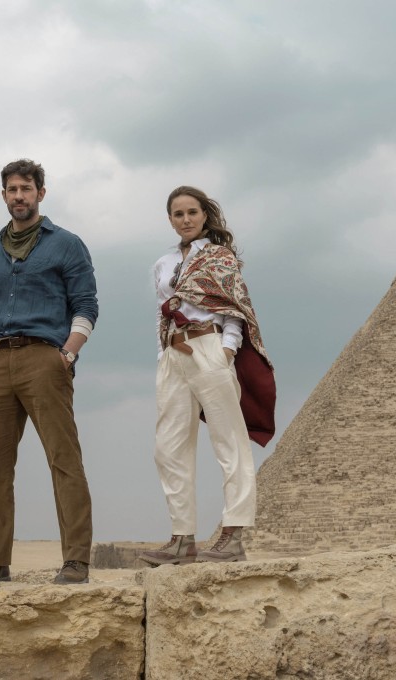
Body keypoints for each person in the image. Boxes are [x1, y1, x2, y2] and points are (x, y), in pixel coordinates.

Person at [0, 159, 98, 589]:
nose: (19, 196)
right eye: (12, 190)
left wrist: (67, 354)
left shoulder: (67, 244)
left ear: (41, 193)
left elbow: (86, 305)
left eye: (27, 189)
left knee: (63, 459)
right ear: (4, 195)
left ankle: (76, 560)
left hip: (45, 358)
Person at [139, 185, 275, 567]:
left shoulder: (219, 256)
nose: (186, 219)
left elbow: (235, 310)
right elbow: (161, 312)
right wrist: (163, 354)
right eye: (178, 214)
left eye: (192, 212)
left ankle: (233, 536)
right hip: (173, 355)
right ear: (170, 219)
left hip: (209, 347)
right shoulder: (163, 263)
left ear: (204, 215)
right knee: (168, 447)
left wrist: (227, 350)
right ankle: (182, 539)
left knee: (229, 442)